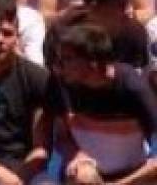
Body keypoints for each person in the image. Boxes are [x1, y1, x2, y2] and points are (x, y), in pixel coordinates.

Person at [48, 23, 157, 185]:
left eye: (68, 59)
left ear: (93, 61)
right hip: (87, 172)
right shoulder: (61, 84)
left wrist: (122, 183)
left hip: (132, 176)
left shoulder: (132, 88)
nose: (60, 66)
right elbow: (62, 136)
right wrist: (76, 154)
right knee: (83, 177)